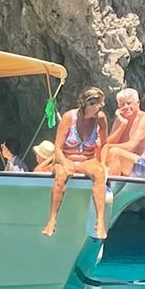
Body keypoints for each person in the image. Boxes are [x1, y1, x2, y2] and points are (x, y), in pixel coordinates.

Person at [42, 86, 109, 239]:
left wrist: (103, 163)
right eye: (96, 106)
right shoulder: (69, 117)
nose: (98, 110)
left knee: (99, 172)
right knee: (61, 173)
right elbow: (57, 148)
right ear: (87, 104)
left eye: (100, 106)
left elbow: (105, 144)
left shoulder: (100, 118)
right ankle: (52, 220)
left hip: (86, 160)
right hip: (65, 157)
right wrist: (65, 163)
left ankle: (100, 222)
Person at [103, 88, 145, 179]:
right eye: (122, 104)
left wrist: (107, 147)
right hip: (130, 161)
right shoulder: (119, 120)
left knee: (114, 151)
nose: (126, 107)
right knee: (106, 152)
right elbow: (108, 142)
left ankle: (110, 186)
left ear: (137, 103)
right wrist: (122, 125)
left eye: (129, 103)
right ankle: (105, 182)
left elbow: (132, 146)